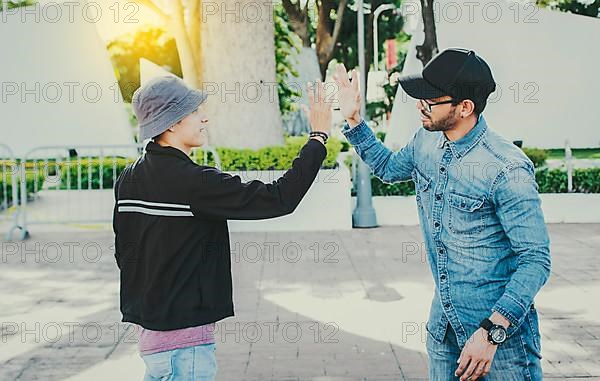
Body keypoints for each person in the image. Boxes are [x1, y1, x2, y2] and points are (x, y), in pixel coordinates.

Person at [334, 48, 551, 381]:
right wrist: (353, 120)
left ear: (465, 107)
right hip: (444, 326)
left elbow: (535, 260)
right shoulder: (426, 140)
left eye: (431, 99)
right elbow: (389, 169)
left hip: (499, 340)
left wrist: (492, 331)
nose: (421, 105)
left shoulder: (506, 168)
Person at [112, 75, 332, 380]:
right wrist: (318, 137)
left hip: (152, 341)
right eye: (193, 112)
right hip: (185, 346)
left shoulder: (128, 179)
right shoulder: (195, 182)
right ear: (171, 123)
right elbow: (280, 198)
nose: (204, 117)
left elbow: (125, 253)